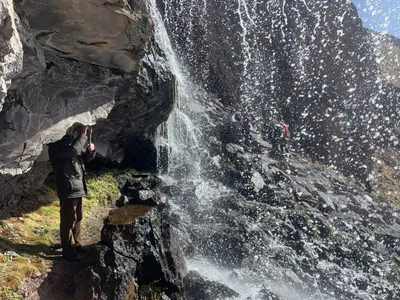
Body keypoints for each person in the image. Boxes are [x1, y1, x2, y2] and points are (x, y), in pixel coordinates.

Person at [48, 123, 96, 261]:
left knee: (78, 218)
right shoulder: (56, 147)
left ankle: (76, 244)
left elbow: (84, 158)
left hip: (78, 187)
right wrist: (83, 133)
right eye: (67, 129)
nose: (68, 131)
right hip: (68, 188)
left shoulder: (69, 144)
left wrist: (91, 151)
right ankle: (68, 251)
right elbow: (73, 151)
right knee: (68, 220)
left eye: (69, 129)